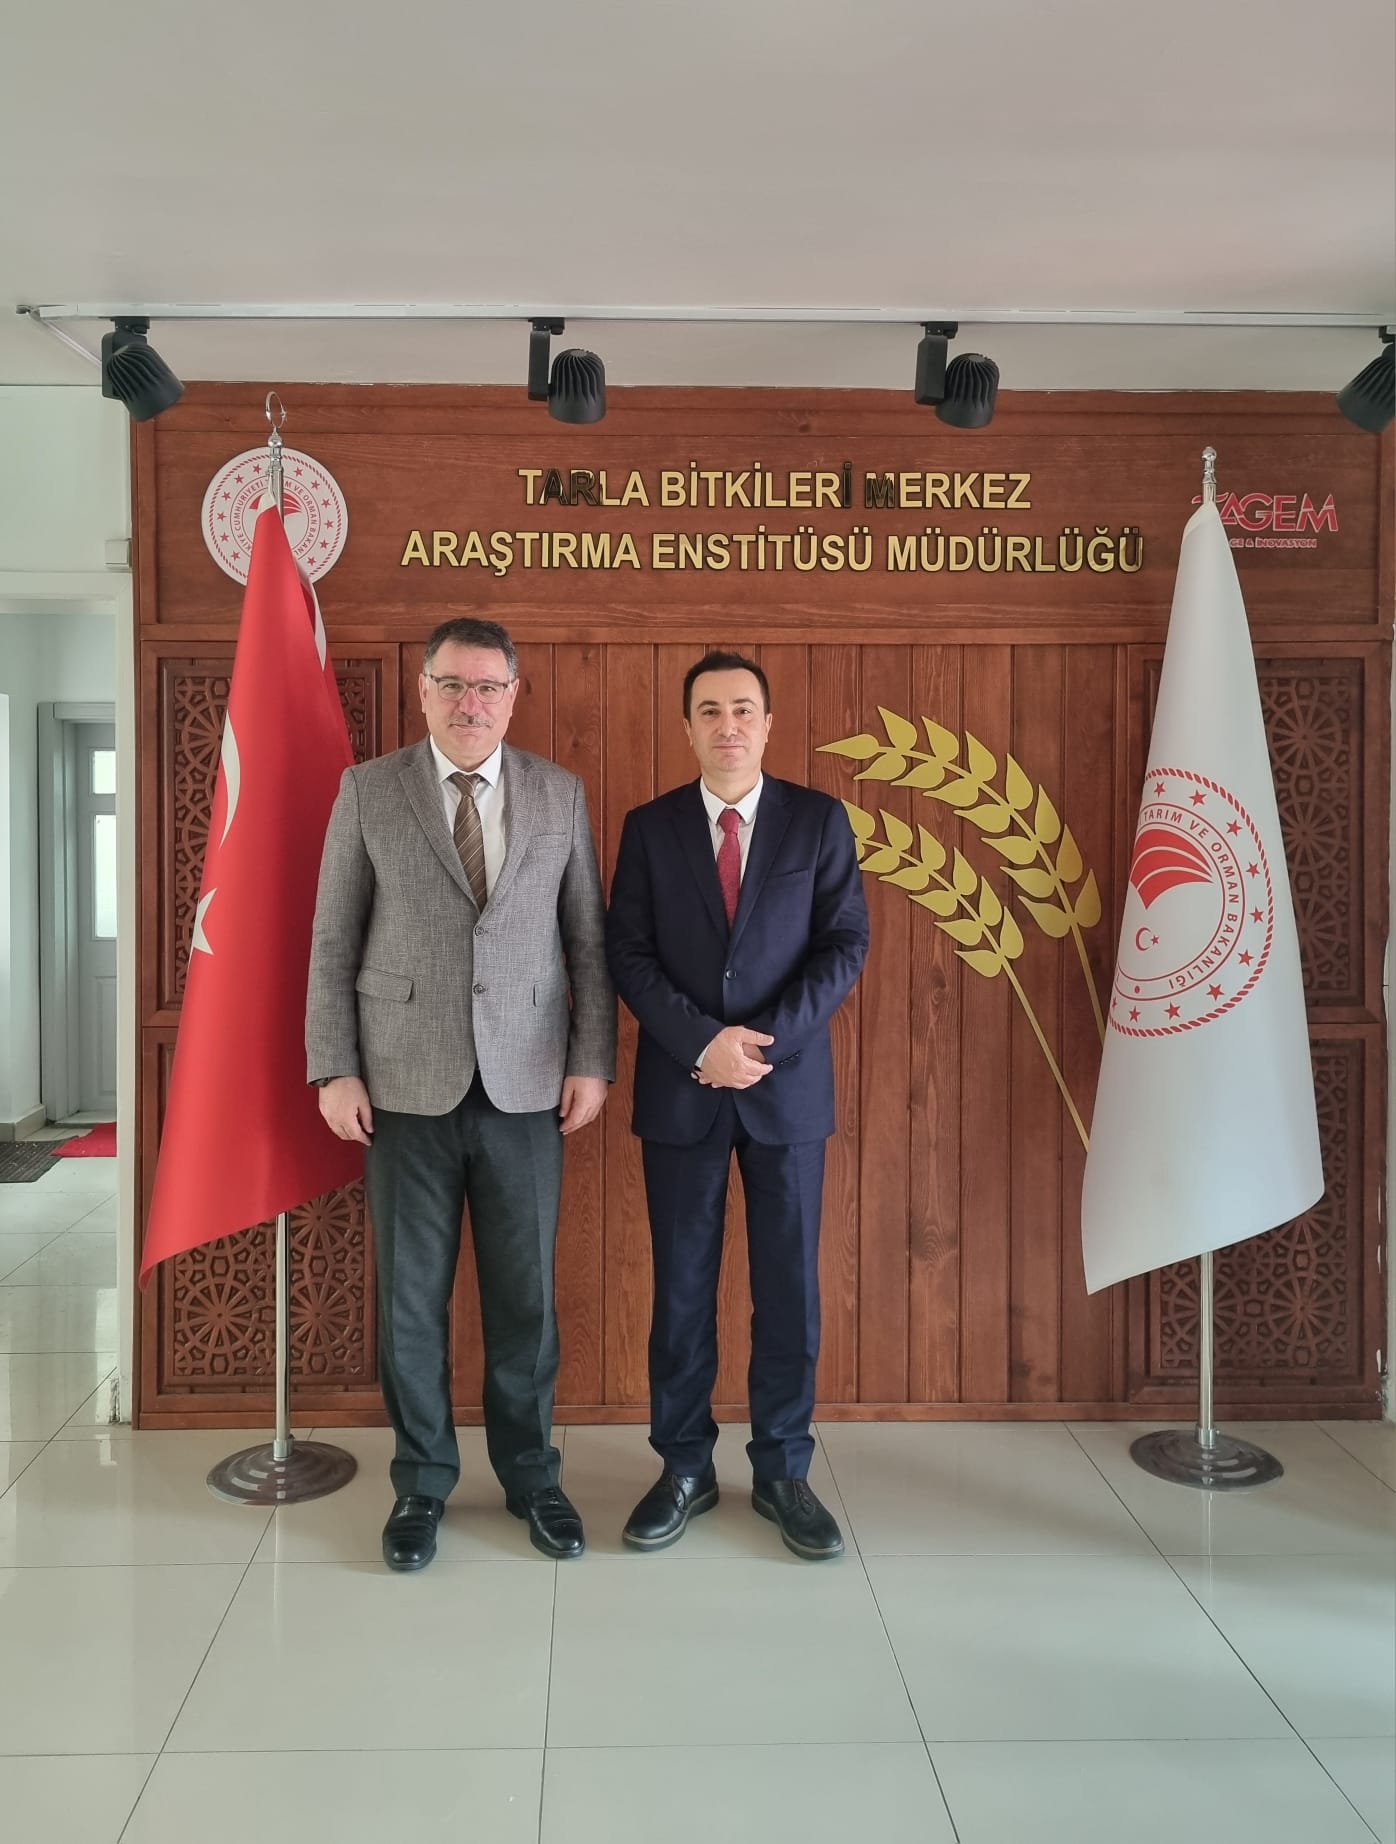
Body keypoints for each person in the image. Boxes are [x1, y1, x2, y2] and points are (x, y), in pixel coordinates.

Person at [306, 616, 615, 1570]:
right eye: (452, 684)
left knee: (527, 1302)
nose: (469, 702)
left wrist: (592, 1059)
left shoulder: (559, 793)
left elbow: (587, 941)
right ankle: (421, 1484)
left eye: (488, 686)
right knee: (411, 1301)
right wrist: (333, 1065)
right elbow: (332, 939)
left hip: (529, 1085)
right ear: (424, 691)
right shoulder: (369, 790)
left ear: (514, 696)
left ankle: (531, 1478)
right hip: (402, 1085)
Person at [605, 650, 869, 1559]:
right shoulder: (649, 828)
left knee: (789, 1290)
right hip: (683, 1089)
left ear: (768, 724)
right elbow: (628, 951)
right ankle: (683, 1468)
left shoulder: (818, 821)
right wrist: (701, 1043)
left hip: (784, 1092)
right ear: (686, 727)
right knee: (681, 1289)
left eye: (744, 709)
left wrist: (761, 1044)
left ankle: (784, 1472)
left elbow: (844, 943)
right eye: (710, 710)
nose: (728, 725)